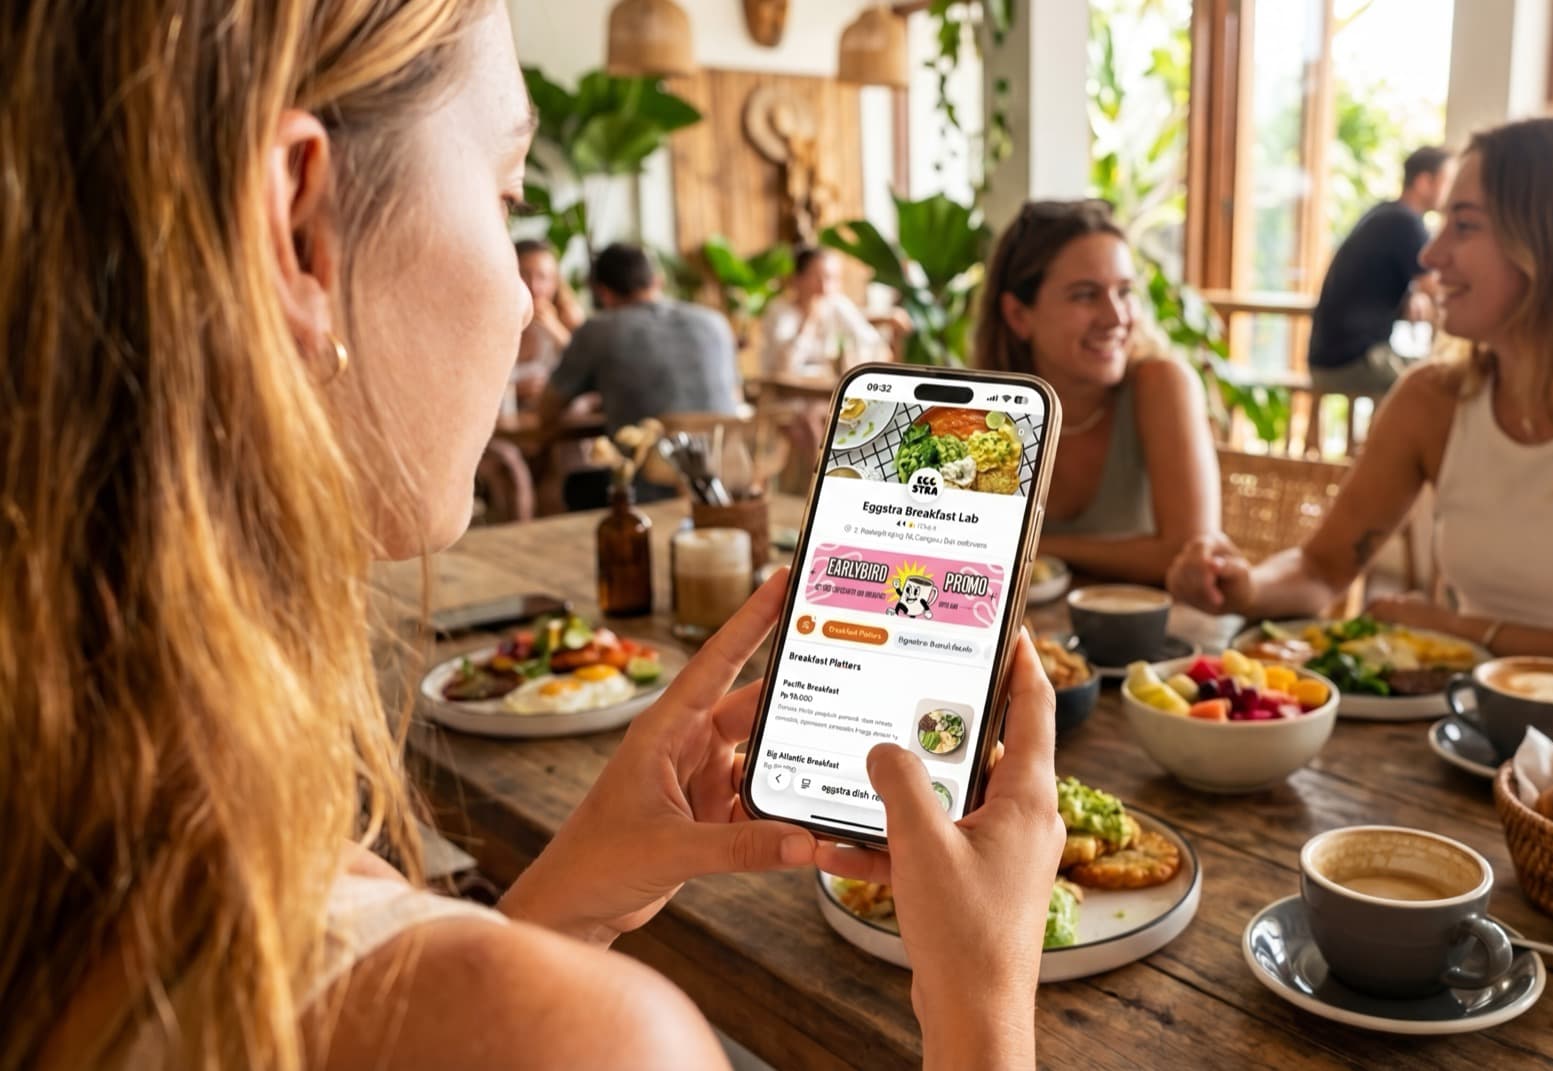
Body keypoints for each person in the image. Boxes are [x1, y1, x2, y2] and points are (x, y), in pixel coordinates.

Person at [2, 3, 1065, 1067]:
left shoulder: (80, 837)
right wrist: (982, 1005)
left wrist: (551, 911)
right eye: (508, 197)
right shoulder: (594, 1039)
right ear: (298, 227)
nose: (521, 301)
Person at [1168, 115, 1553, 710]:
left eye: (1464, 226)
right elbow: (1322, 567)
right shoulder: (1433, 398)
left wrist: (1461, 631)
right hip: (1468, 732)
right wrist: (1243, 586)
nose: (1432, 254)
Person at [972, 199, 1219, 587]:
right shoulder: (982, 409)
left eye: (1124, 292)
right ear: (1019, 316)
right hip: (1030, 639)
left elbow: (1189, 551)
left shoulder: (1162, 385)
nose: (1116, 317)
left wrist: (1035, 543)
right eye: (1085, 295)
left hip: (1152, 642)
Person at [538, 242, 741, 434]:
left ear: (603, 293)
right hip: (729, 463)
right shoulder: (715, 322)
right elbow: (734, 396)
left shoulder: (599, 330)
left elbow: (546, 410)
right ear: (657, 280)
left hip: (651, 467)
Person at [1306, 146, 1454, 395]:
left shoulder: (1384, 213)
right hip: (1351, 359)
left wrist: (1412, 294)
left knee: (1432, 379)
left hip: (1327, 356)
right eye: (1449, 180)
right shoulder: (1405, 222)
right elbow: (1441, 291)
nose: (1453, 192)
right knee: (1435, 388)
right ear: (1423, 182)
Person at [760, 245, 886, 378]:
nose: (825, 287)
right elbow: (784, 367)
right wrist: (809, 320)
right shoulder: (779, 311)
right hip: (784, 394)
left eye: (832, 278)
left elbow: (869, 340)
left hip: (825, 393)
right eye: (818, 278)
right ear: (797, 279)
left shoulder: (836, 304)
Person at [501, 238, 583, 416]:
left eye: (543, 277)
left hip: (557, 427)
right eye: (524, 275)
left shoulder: (568, 318)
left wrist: (554, 328)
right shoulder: (496, 325)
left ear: (555, 283)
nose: (534, 287)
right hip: (508, 428)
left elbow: (590, 370)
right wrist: (515, 390)